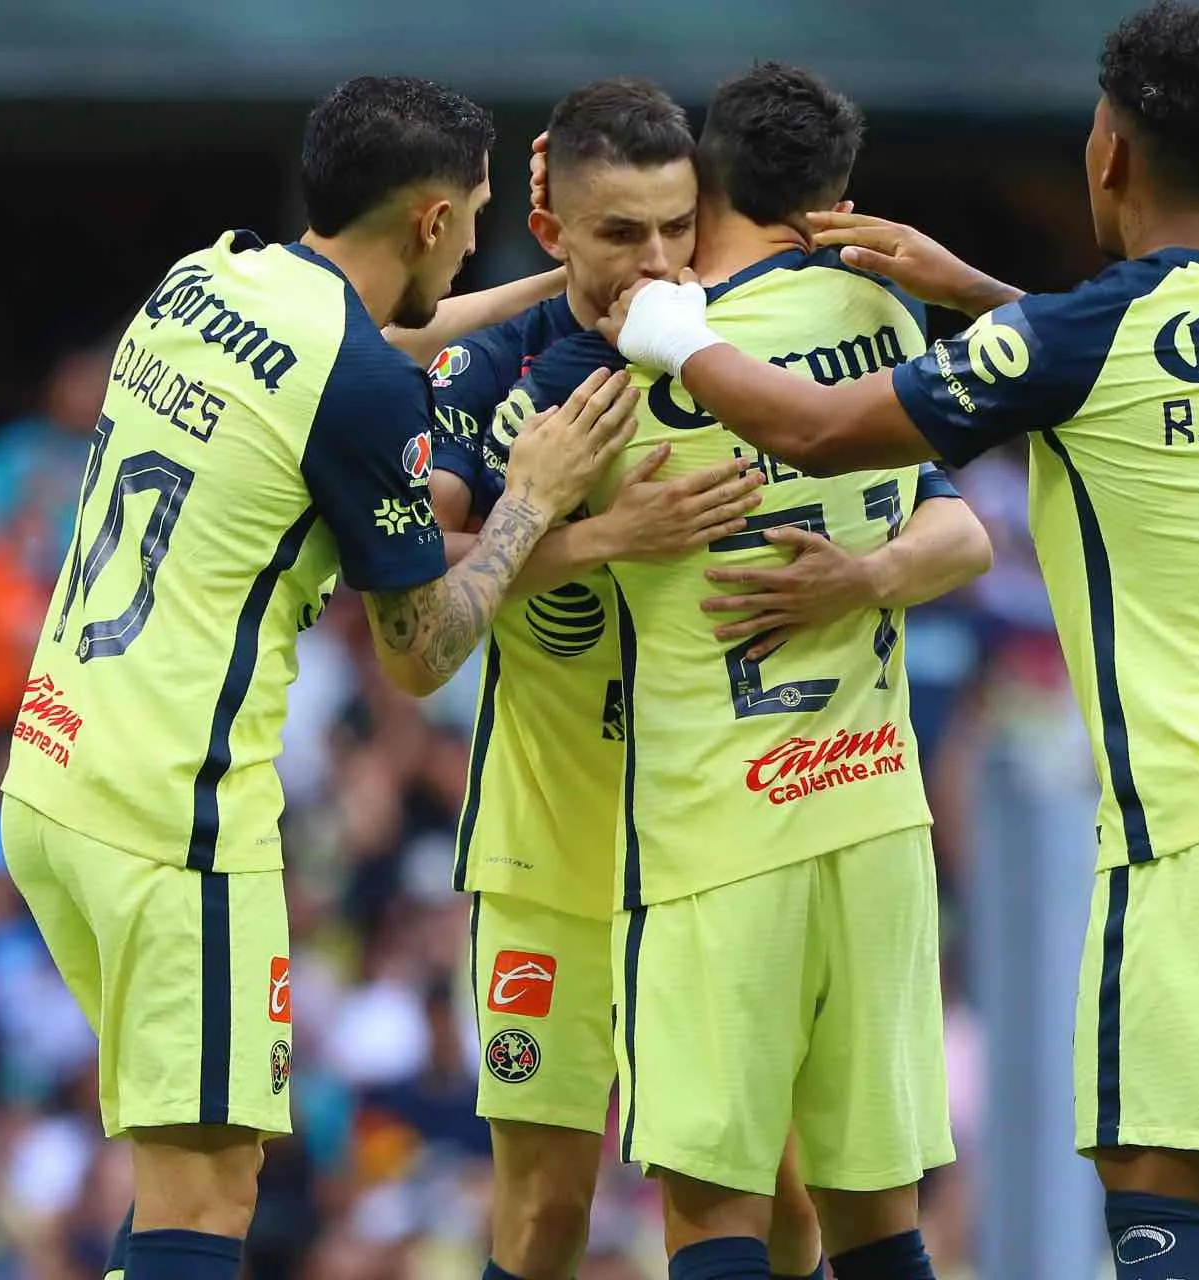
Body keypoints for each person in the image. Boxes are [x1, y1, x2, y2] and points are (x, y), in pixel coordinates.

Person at [599, 6, 1199, 1280]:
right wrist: (975, 293)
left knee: (1168, 1216)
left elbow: (823, 430)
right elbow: (1146, 355)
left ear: (1106, 155)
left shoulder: (1068, 341)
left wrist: (676, 333)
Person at [0, 76, 641, 1280]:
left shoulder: (208, 276)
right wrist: (546, 502)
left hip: (54, 769)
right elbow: (418, 652)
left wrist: (573, 283)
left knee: (176, 1157)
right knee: (211, 1181)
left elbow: (377, 349)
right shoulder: (358, 384)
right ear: (436, 222)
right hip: (171, 813)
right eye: (480, 213)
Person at [436, 76, 987, 1280]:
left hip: (717, 832)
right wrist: (587, 534)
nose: (661, 256)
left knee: (777, 1193)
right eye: (622, 232)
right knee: (542, 1216)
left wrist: (867, 572)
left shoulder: (734, 355)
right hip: (558, 844)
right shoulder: (509, 371)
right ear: (555, 231)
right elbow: (420, 595)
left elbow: (958, 529)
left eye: (677, 225)